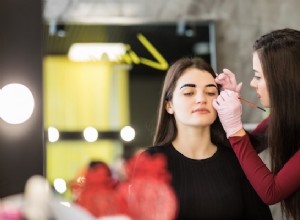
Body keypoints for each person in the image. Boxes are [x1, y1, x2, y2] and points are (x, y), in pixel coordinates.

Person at [138, 57, 272, 219]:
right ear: (169, 105)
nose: (201, 99)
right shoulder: (151, 161)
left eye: (210, 92)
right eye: (189, 93)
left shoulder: (238, 160)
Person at [213, 28, 300, 220]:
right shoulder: (285, 116)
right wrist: (229, 107)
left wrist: (234, 127)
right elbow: (247, 148)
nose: (252, 83)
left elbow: (271, 192)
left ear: (283, 80)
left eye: (258, 76)